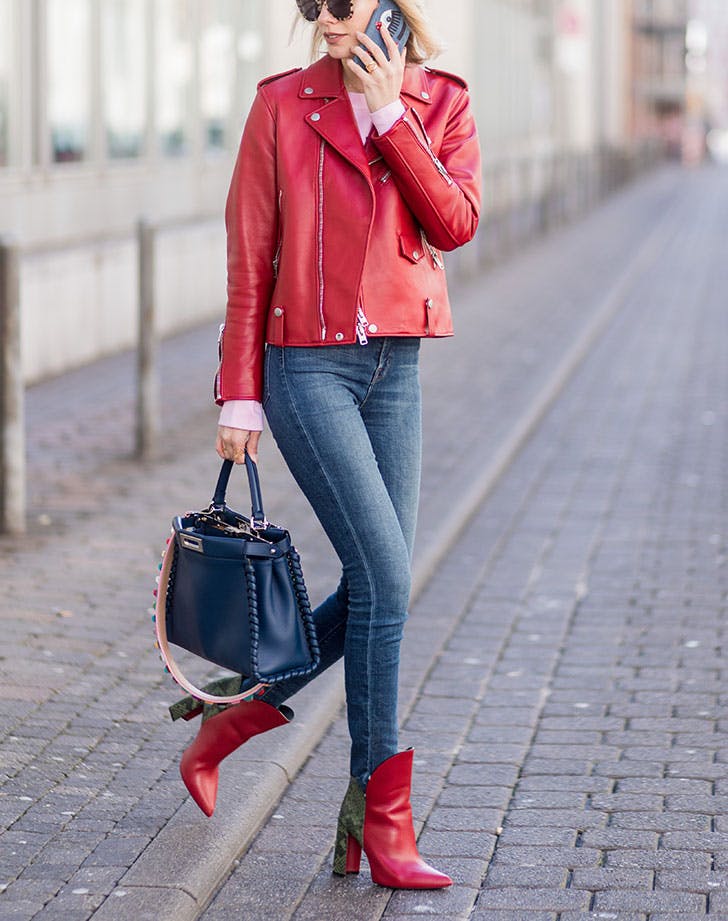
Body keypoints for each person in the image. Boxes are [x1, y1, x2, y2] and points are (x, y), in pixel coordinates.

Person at [169, 0, 481, 890]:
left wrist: (389, 118)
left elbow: (455, 224)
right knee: (385, 575)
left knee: (382, 583)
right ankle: (383, 821)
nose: (324, 18)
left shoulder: (441, 101)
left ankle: (236, 718)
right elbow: (250, 259)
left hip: (397, 366)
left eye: (341, 3)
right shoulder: (281, 104)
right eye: (312, 4)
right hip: (305, 367)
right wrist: (240, 391)